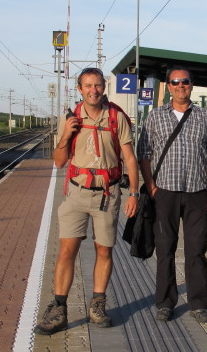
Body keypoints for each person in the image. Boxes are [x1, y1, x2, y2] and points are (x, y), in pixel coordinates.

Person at [34, 68, 140, 335]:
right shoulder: (70, 118)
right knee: (67, 251)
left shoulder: (115, 116)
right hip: (77, 192)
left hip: (108, 193)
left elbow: (129, 158)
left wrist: (135, 193)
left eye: (98, 85)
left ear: (104, 87)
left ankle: (98, 304)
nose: (94, 90)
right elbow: (59, 161)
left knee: (104, 251)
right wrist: (67, 134)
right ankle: (59, 308)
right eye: (88, 85)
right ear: (79, 89)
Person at [137, 67, 207, 324]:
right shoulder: (155, 117)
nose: (180, 85)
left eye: (184, 81)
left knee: (197, 250)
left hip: (197, 192)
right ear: (168, 86)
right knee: (165, 249)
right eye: (175, 82)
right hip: (165, 193)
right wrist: (151, 186)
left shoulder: (205, 117)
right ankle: (165, 303)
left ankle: (198, 303)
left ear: (191, 86)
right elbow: (144, 153)